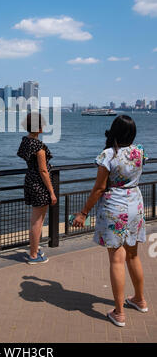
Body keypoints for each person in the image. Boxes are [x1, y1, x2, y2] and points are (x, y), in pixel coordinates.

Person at [73, 115, 148, 327]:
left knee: (116, 259)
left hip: (115, 206)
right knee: (133, 256)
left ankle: (119, 313)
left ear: (114, 131)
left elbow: (99, 188)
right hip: (135, 203)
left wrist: (84, 212)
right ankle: (140, 300)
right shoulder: (140, 151)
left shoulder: (108, 155)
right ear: (132, 134)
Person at [17, 112, 57, 264]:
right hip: (39, 184)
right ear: (39, 128)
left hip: (30, 181)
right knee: (37, 221)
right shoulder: (39, 147)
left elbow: (26, 159)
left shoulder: (26, 141)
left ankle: (34, 248)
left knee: (35, 220)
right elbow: (43, 171)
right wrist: (52, 192)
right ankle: (33, 255)